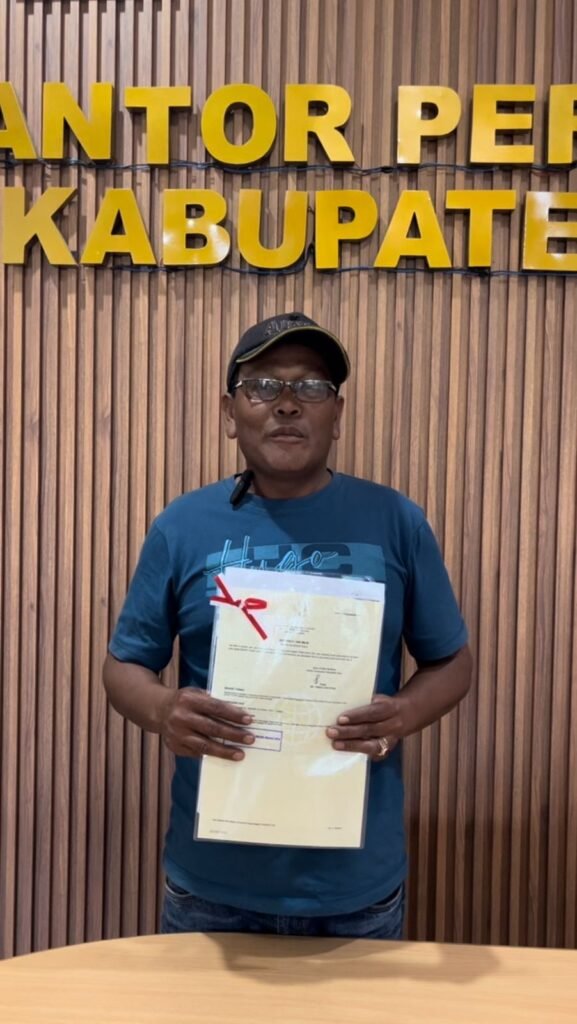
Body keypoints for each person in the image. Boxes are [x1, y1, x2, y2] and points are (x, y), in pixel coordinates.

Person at [103, 311, 472, 940]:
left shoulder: (397, 521)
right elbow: (123, 665)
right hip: (210, 885)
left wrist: (403, 714)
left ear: (337, 414)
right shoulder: (181, 527)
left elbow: (452, 663)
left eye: (311, 387)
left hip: (356, 888)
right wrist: (164, 710)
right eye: (264, 386)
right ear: (230, 412)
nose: (288, 403)